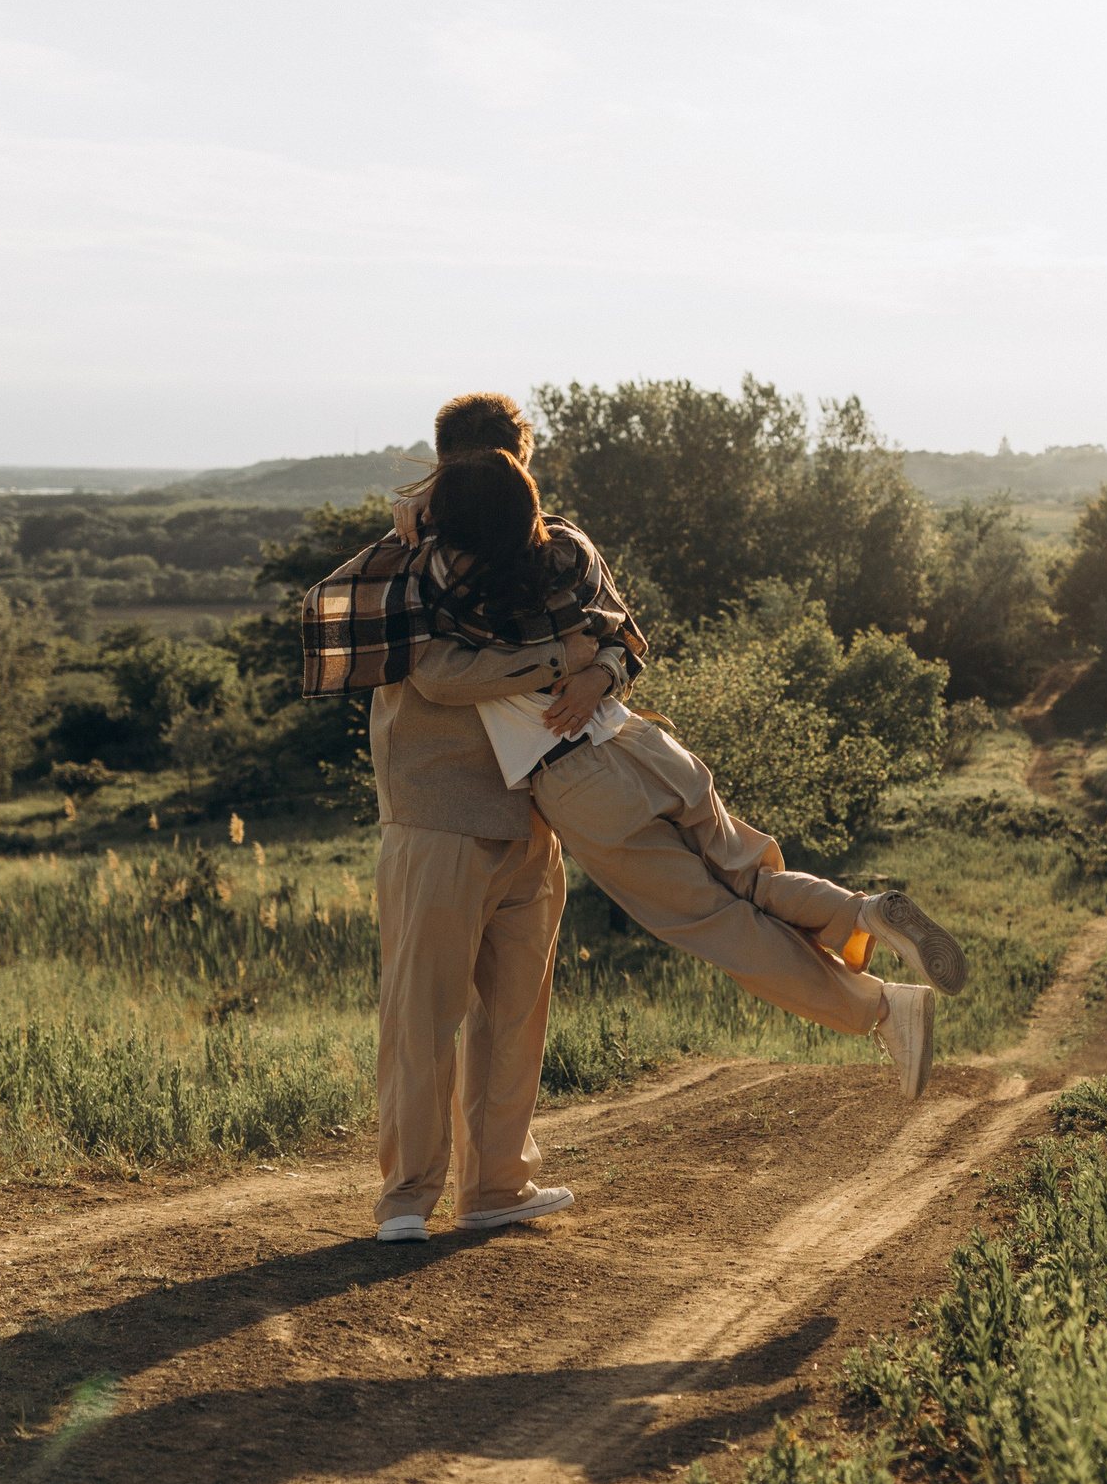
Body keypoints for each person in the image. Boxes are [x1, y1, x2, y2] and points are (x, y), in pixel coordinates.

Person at [412, 447, 967, 1097]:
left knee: (721, 925)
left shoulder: (456, 590)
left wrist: (415, 514)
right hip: (642, 739)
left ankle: (881, 1009)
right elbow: (618, 637)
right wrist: (598, 670)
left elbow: (430, 672)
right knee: (755, 879)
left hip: (575, 776)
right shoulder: (562, 559)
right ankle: (866, 911)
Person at [301, 394, 638, 1245]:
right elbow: (441, 675)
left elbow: (621, 632)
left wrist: (598, 668)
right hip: (440, 812)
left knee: (509, 1014)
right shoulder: (410, 558)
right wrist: (560, 657)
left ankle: (494, 1186)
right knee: (426, 1012)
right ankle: (407, 1200)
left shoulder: (549, 555)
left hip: (535, 810)